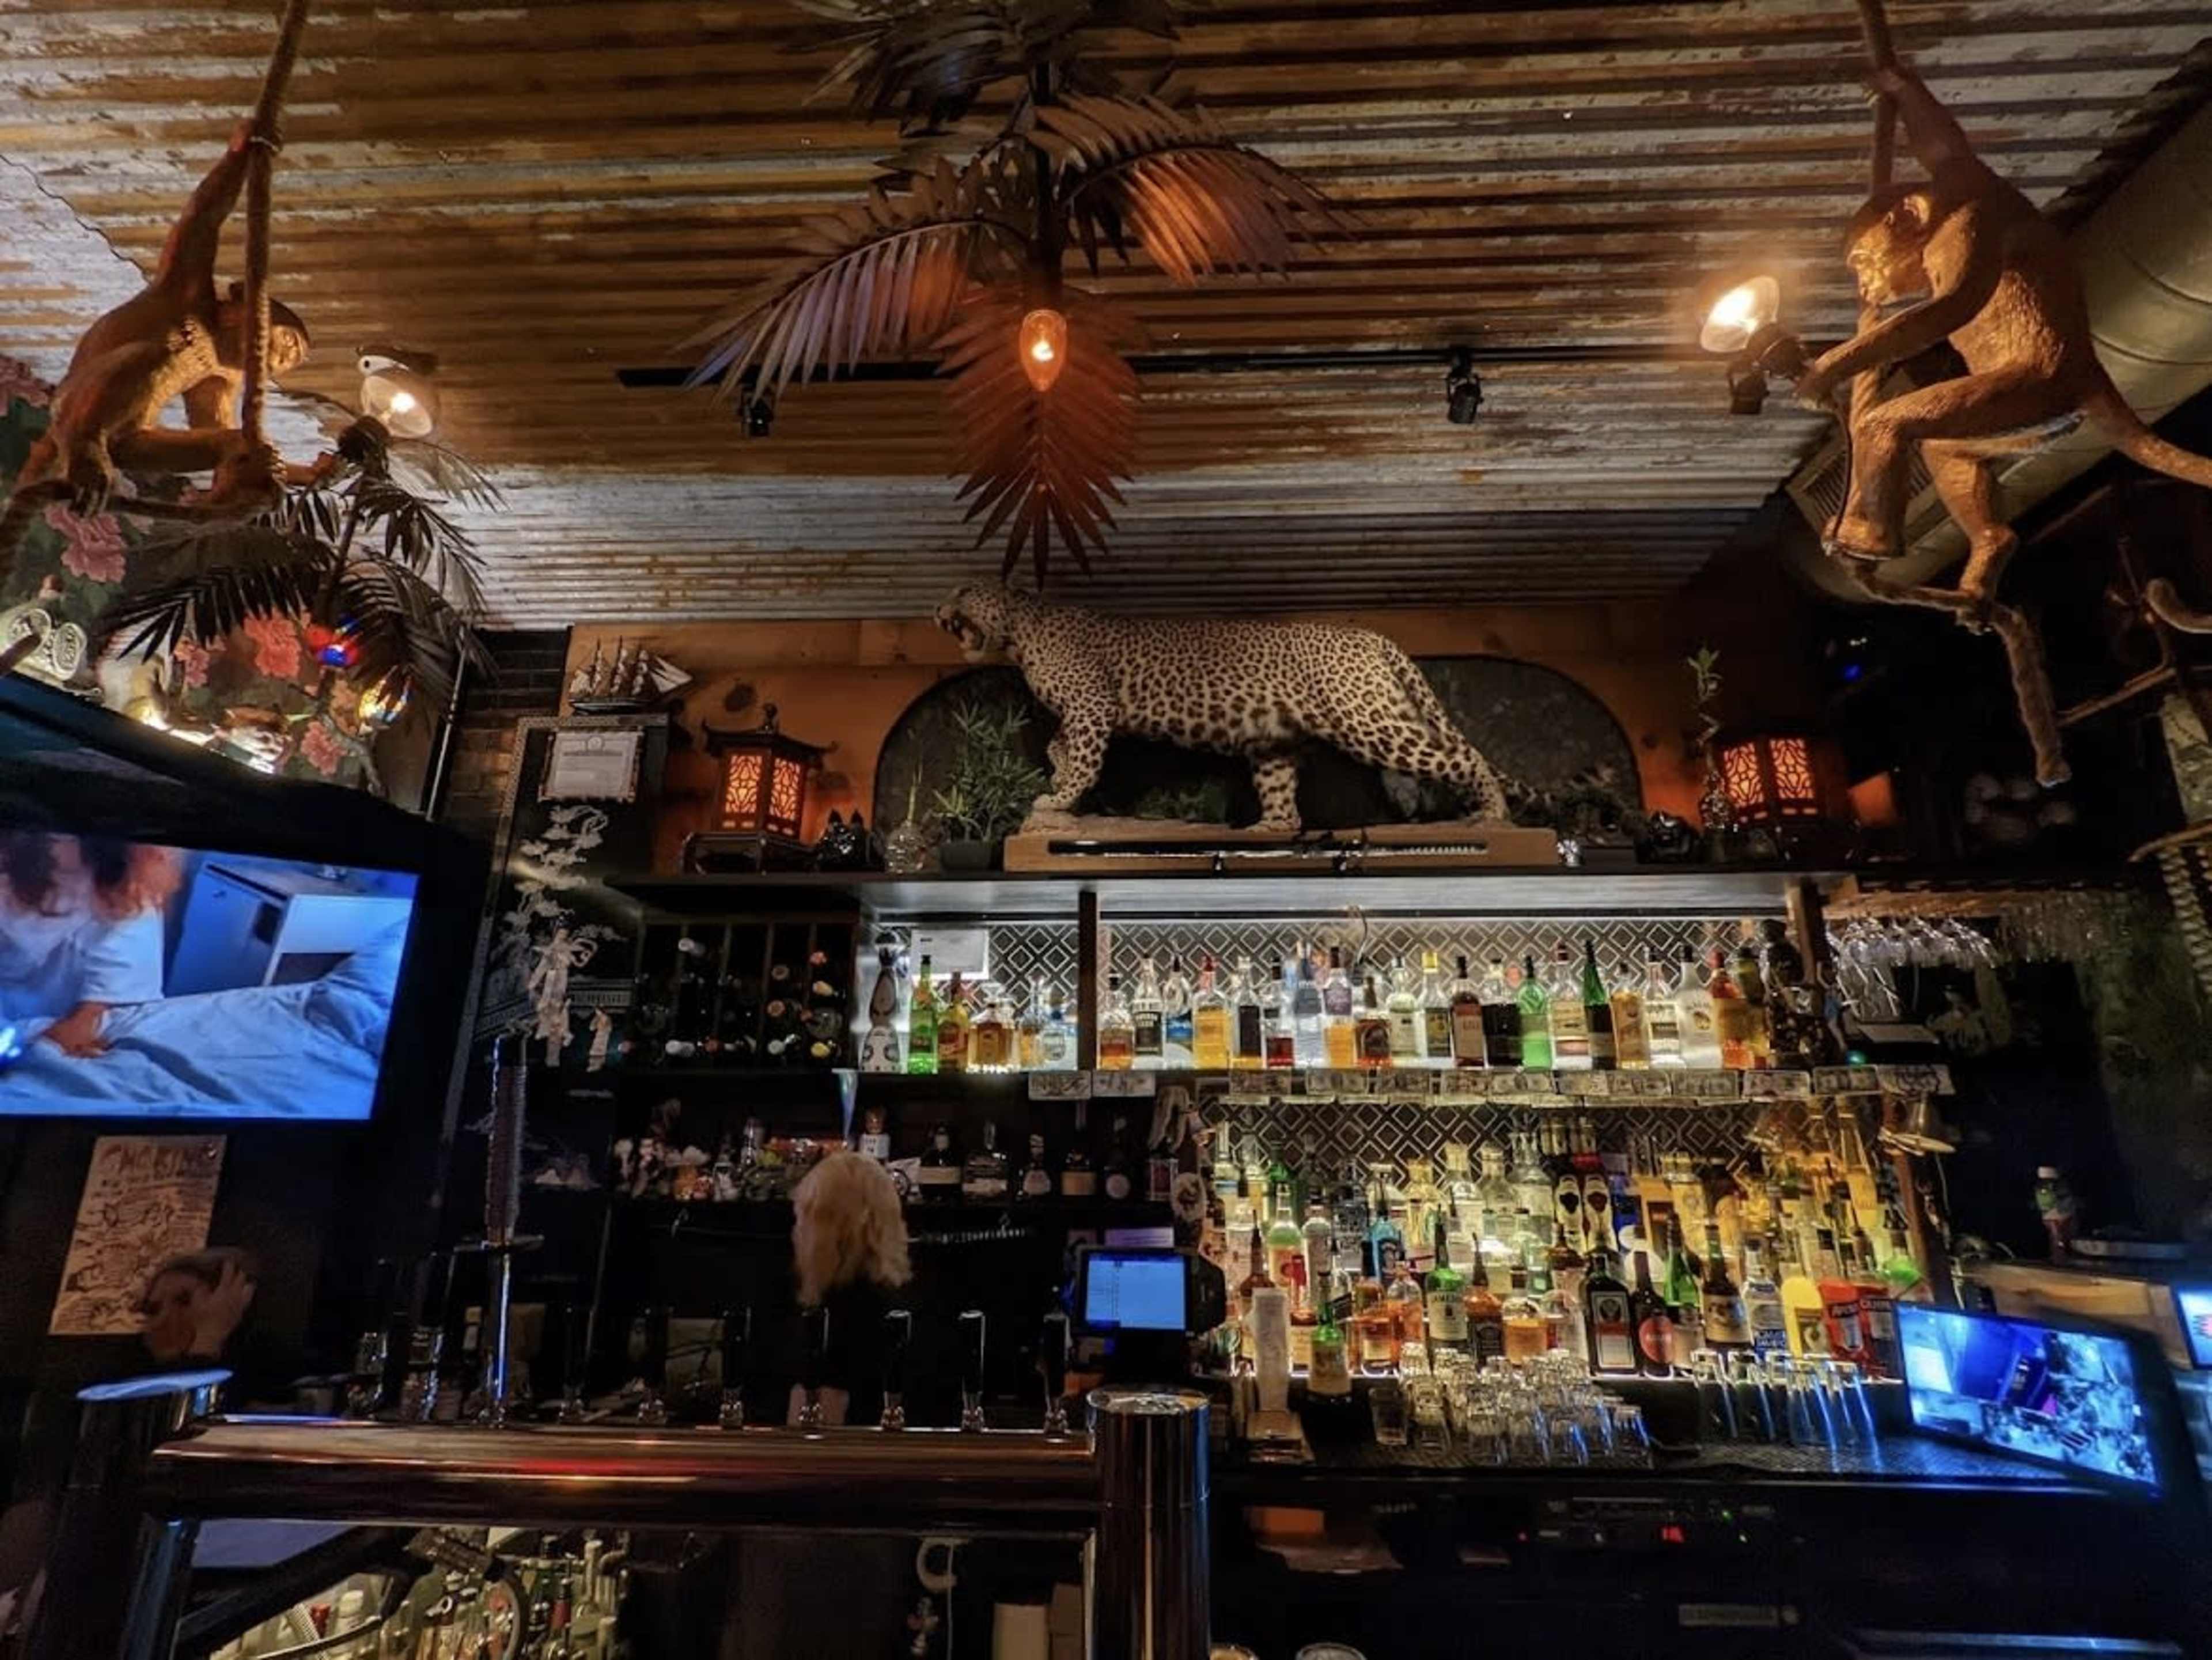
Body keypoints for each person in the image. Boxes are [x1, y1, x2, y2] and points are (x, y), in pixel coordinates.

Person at [0, 832, 179, 1056]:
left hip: (47, 1036)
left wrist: (38, 1049)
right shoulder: (14, 866)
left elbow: (97, 1016)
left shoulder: (127, 902)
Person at [785, 1150, 912, 1426]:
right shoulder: (900, 1302)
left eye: (803, 1218)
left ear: (831, 1228)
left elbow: (810, 1439)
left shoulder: (837, 1316)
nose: (796, 1232)